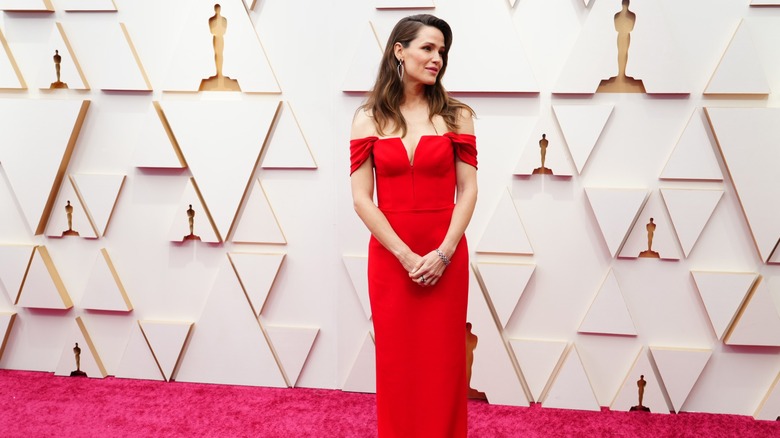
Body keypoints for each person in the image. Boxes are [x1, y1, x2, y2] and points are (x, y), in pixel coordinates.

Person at [350, 14, 478, 437]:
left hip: (445, 252)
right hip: (391, 259)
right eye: (428, 48)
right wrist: (404, 255)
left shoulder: (457, 116)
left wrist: (443, 253)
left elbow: (469, 191)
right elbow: (361, 200)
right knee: (397, 364)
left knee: (443, 363)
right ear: (399, 51)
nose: (437, 58)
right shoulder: (367, 118)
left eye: (442, 51)